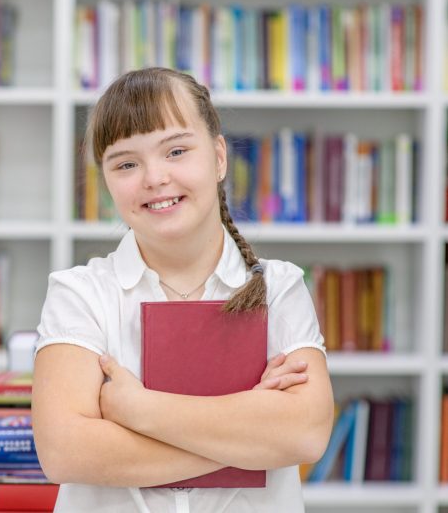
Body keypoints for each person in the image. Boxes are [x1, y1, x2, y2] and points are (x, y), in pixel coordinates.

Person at [32, 67, 334, 513]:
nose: (154, 177)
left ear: (218, 157)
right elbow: (64, 452)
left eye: (175, 150)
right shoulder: (79, 294)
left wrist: (139, 410)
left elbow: (305, 433)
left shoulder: (279, 288)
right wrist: (247, 439)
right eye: (126, 163)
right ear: (108, 181)